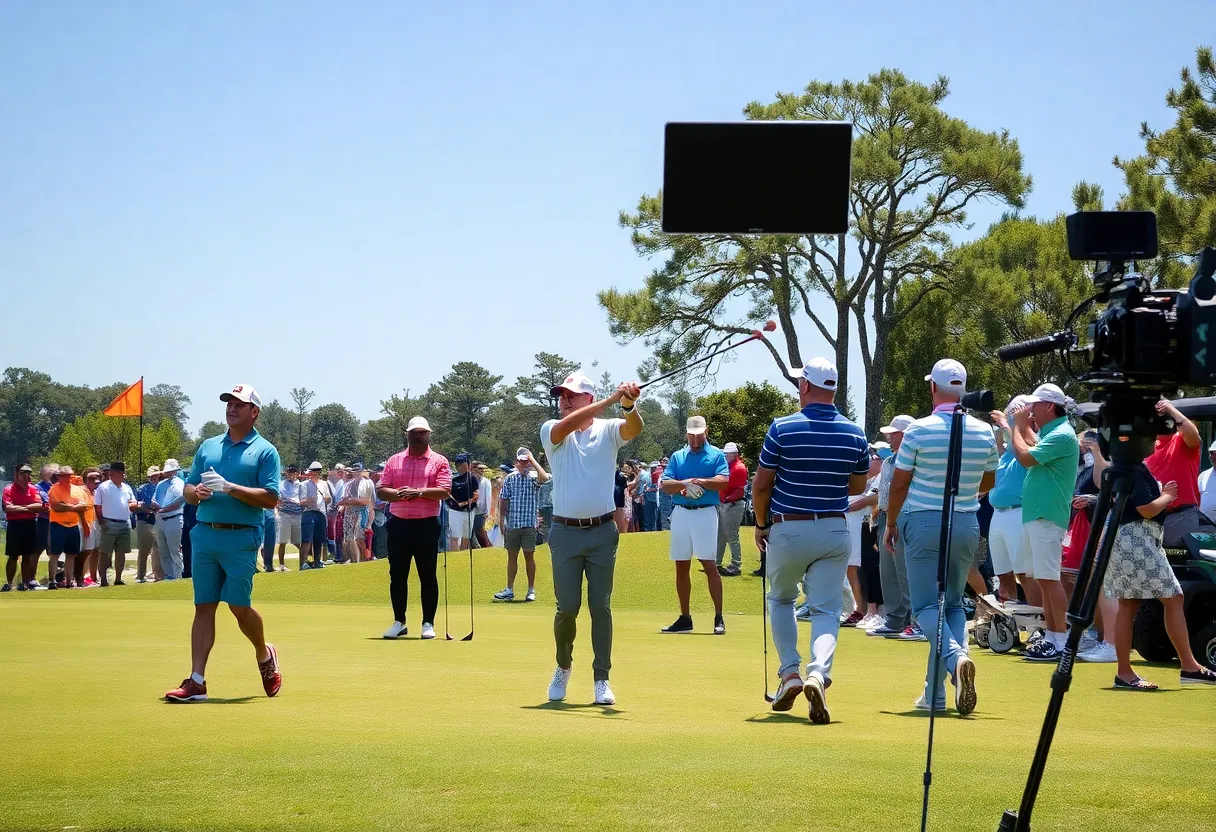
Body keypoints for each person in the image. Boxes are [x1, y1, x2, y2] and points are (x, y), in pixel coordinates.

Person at [753, 357, 868, 724]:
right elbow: (858, 485)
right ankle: (818, 673)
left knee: (782, 598)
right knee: (825, 610)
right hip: (835, 529)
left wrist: (760, 523)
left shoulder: (782, 428)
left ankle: (790, 673)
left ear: (804, 386)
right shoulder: (855, 432)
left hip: (789, 527)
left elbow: (761, 485)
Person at [885, 358, 997, 716]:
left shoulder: (918, 429)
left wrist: (890, 523)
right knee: (949, 606)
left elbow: (900, 482)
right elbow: (989, 481)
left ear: (933, 388)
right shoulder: (984, 431)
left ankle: (955, 658)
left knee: (923, 608)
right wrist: (962, 493)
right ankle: (934, 694)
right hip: (966, 522)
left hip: (923, 520)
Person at [165, 383, 282, 703]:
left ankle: (264, 652)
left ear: (254, 412)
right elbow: (189, 490)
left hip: (242, 535)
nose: (232, 408)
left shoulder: (265, 451)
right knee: (203, 606)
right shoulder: (208, 446)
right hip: (205, 533)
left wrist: (230, 487)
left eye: (239, 405)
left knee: (238, 606)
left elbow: (271, 498)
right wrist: (197, 493)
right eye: (229, 403)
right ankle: (197, 680)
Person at [541, 373, 643, 706]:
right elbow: (565, 425)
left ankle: (602, 678)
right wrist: (615, 400)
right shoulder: (551, 431)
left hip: (601, 532)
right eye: (562, 396)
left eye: (572, 395)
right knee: (567, 608)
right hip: (565, 532)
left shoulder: (609, 429)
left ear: (589, 398)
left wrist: (628, 405)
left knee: (600, 606)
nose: (564, 400)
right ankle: (563, 666)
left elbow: (634, 429)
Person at [1091, 441, 1216, 688]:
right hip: (1135, 539)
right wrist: (1168, 496)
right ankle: (1187, 667)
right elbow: (1146, 510)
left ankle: (1127, 673)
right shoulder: (1134, 469)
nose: (1152, 441)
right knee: (1172, 596)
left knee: (1130, 603)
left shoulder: (1124, 467)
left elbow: (1101, 481)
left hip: (1127, 538)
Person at [1010, 382, 1079, 663]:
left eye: (1035, 406)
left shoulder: (1062, 434)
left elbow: (1026, 457)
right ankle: (1052, 637)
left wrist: (1015, 425)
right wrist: (1020, 426)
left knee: (1050, 580)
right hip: (1038, 514)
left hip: (1047, 515)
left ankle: (1060, 642)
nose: (1031, 411)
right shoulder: (1054, 432)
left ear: (1049, 407)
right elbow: (1033, 442)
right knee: (1044, 578)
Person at [376, 416, 452, 640]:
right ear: (407, 434)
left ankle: (428, 622)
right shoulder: (394, 461)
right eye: (414, 432)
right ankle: (399, 621)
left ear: (429, 434)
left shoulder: (439, 461)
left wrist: (418, 492)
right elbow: (381, 490)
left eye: (422, 432)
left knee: (427, 574)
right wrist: (401, 494)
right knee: (397, 575)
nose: (418, 435)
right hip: (398, 524)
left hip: (426, 525)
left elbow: (444, 491)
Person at [659, 416, 730, 635]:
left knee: (709, 565)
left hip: (705, 513)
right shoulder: (678, 457)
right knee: (681, 566)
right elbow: (665, 484)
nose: (695, 438)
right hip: (681, 513)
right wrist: (684, 484)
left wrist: (699, 481)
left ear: (706, 431)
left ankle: (719, 617)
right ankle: (685, 618)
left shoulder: (716, 454)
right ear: (686, 433)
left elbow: (723, 480)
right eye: (691, 433)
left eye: (699, 434)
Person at [870, 415, 916, 639]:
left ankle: (913, 620)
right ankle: (895, 619)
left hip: (904, 518)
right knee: (888, 572)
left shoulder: (914, 459)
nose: (889, 437)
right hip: (886, 518)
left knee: (905, 572)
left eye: (894, 433)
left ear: (906, 435)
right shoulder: (889, 461)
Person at [987, 396, 1035, 606]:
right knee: (1003, 573)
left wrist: (1007, 424)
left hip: (1019, 513)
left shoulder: (1028, 446)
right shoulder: (1006, 454)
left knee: (1024, 573)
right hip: (998, 515)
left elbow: (1028, 449)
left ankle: (1038, 622)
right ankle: (1012, 623)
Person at [1144, 398, 1206, 547]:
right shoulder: (1146, 447)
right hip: (1152, 516)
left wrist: (1171, 409)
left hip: (1181, 515)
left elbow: (1193, 434)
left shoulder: (1181, 441)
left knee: (1180, 563)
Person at [494, 447, 551, 602]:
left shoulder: (534, 477)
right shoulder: (510, 479)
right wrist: (501, 521)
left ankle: (531, 589)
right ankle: (509, 589)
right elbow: (504, 501)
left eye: (526, 462)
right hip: (513, 524)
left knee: (529, 557)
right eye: (521, 461)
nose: (524, 464)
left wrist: (532, 460)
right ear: (516, 462)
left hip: (529, 524)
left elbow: (545, 478)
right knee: (512, 557)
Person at [95, 461, 140, 586]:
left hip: (124, 522)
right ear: (113, 473)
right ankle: (103, 579)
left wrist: (135, 505)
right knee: (104, 552)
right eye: (121, 473)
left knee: (121, 552)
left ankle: (118, 579)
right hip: (109, 522)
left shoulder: (126, 487)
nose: (123, 475)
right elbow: (97, 506)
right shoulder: (103, 487)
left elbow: (132, 502)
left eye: (123, 473)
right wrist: (101, 521)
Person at [3, 464, 47, 591]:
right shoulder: (9, 489)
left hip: (30, 523)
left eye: (29, 473)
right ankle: (9, 583)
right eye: (23, 473)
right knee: (13, 555)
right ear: (16, 474)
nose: (27, 475)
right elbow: (8, 508)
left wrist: (20, 508)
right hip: (15, 525)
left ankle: (25, 583)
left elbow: (39, 506)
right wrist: (28, 508)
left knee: (27, 555)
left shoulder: (33, 489)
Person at [48, 465, 89, 589]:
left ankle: (69, 582)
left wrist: (67, 506)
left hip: (73, 525)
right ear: (59, 476)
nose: (66, 478)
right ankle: (52, 581)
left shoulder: (78, 490)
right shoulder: (54, 489)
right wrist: (74, 507)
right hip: (57, 524)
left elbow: (84, 505)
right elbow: (57, 506)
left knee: (71, 554)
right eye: (63, 476)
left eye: (68, 476)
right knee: (55, 554)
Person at [715, 443, 748, 576]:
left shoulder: (739, 468)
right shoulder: (729, 466)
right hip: (726, 503)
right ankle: (716, 562)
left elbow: (738, 490)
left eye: (728, 453)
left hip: (733, 504)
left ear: (735, 454)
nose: (726, 455)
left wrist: (725, 500)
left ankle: (736, 564)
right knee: (721, 535)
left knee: (732, 535)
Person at [153, 459, 186, 579]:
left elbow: (179, 501)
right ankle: (169, 576)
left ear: (175, 471)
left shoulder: (180, 483)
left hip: (174, 518)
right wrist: (155, 506)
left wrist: (164, 509)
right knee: (163, 551)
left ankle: (178, 576)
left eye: (171, 471)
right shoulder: (161, 484)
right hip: (161, 519)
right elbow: (154, 499)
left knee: (174, 550)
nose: (169, 473)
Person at [340, 463, 375, 563]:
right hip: (349, 512)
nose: (355, 473)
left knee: (359, 537)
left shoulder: (367, 483)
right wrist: (344, 503)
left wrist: (351, 501)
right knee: (349, 539)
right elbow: (344, 499)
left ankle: (363, 559)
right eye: (354, 471)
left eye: (358, 471)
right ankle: (354, 560)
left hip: (362, 512)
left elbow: (368, 501)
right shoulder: (348, 484)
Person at [446, 454, 479, 552]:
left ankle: (463, 556)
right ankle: (454, 557)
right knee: (454, 537)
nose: (460, 466)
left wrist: (464, 503)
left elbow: (476, 496)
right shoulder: (453, 479)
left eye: (463, 463)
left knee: (466, 537)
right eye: (458, 464)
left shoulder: (472, 478)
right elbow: (447, 494)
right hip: (454, 511)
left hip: (468, 511)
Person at [134, 466, 161, 583]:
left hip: (158, 520)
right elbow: (140, 505)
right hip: (144, 521)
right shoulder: (142, 489)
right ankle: (141, 575)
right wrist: (150, 509)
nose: (154, 477)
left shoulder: (162, 487)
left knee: (157, 547)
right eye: (152, 475)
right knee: (144, 549)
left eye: (156, 474)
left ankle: (158, 575)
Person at [276, 465, 303, 570]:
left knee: (297, 541)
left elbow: (301, 498)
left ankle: (303, 562)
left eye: (292, 472)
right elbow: (281, 497)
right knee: (282, 541)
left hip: (297, 515)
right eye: (288, 472)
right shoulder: (281, 484)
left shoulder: (300, 485)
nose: (290, 474)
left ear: (296, 473)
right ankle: (282, 565)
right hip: (285, 515)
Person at [472, 462, 493, 548]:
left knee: (480, 532)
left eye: (482, 469)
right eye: (479, 469)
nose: (481, 471)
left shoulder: (486, 482)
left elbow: (488, 498)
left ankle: (486, 547)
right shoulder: (472, 480)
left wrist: (487, 512)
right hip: (473, 511)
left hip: (481, 512)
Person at [1199, 439, 1216, 521]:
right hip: (1205, 527)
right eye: (1211, 453)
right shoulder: (1203, 475)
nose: (1212, 456)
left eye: (1215, 453)